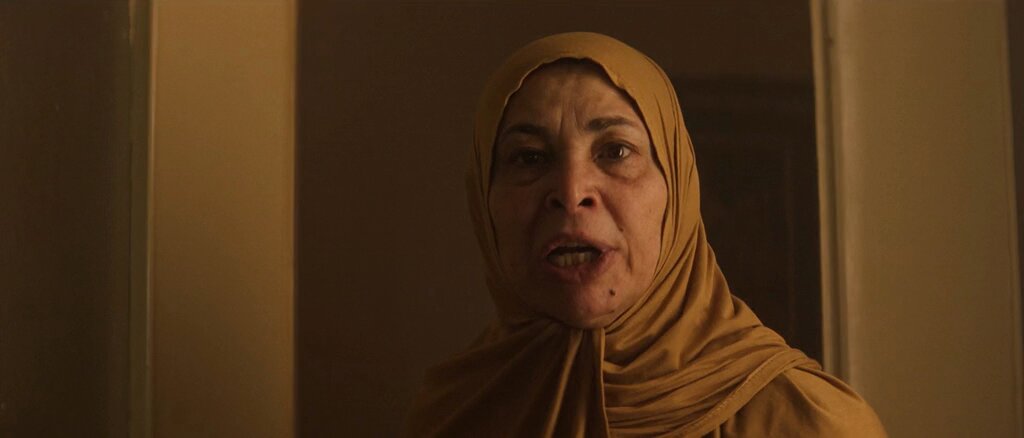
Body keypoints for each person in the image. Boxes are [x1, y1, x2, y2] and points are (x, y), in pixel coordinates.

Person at [407, 32, 886, 437]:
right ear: (483, 201)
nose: (571, 192)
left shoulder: (808, 423)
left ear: (677, 189)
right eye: (529, 157)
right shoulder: (454, 415)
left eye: (615, 151)